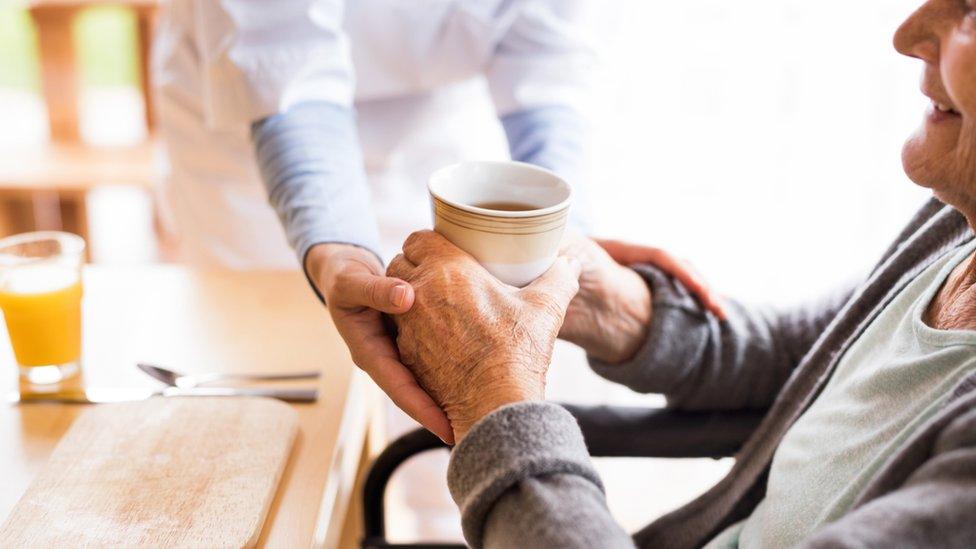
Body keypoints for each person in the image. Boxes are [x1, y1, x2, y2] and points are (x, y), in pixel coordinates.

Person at [387, 0, 976, 546]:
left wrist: (493, 397)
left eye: (970, 10)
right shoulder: (958, 218)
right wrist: (615, 305)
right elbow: (806, 355)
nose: (908, 34)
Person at [150, 0, 722, 444]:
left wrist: (562, 231)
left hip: (443, 112)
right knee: (280, 389)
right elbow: (281, 54)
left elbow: (548, 49)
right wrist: (333, 248)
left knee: (455, 403)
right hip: (252, 115)